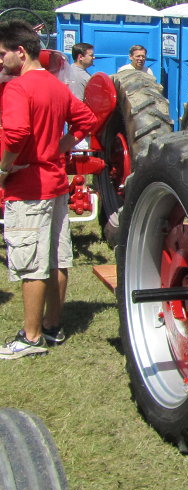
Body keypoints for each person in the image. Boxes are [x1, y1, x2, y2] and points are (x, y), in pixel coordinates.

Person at [0, 20, 98, 359]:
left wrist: (2, 169)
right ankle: (53, 326)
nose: (0, 62)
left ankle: (30, 336)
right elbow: (87, 120)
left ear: (20, 51)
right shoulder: (57, 86)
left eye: (2, 54)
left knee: (31, 262)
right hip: (55, 184)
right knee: (57, 256)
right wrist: (60, 146)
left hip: (28, 186)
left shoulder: (17, 88)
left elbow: (15, 134)